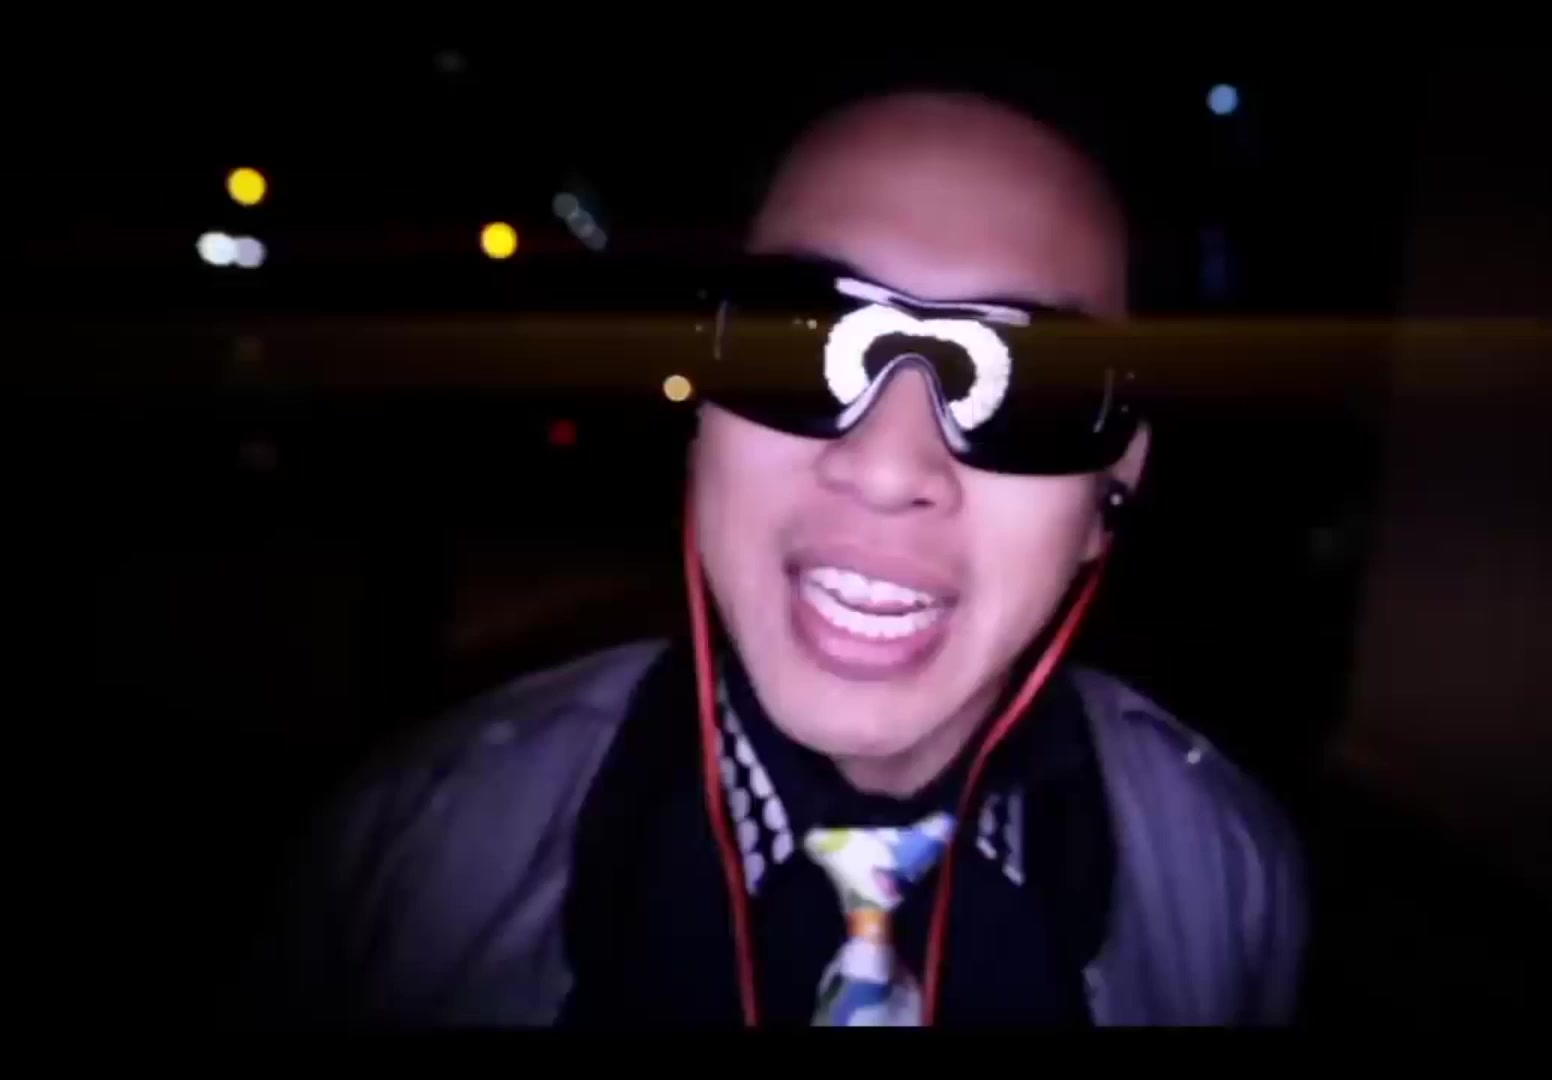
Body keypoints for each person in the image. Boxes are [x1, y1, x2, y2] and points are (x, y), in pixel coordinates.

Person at [271, 89, 1307, 1028]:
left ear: (1112, 485)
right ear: (703, 411)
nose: (887, 467)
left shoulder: (1232, 874)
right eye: (804, 341)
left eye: (1026, 387)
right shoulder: (410, 847)